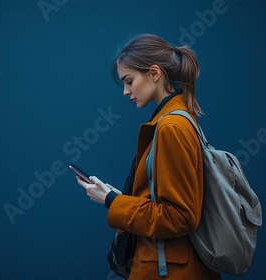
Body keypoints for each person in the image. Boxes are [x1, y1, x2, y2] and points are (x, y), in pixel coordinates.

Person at [76, 34, 221, 280]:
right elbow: (164, 200)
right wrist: (121, 198)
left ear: (154, 73)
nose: (125, 91)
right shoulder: (175, 119)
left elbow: (180, 217)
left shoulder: (171, 126)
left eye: (129, 81)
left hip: (171, 272)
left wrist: (112, 200)